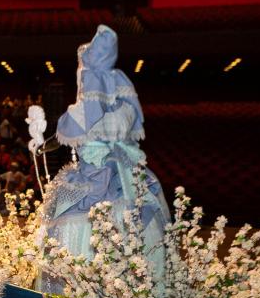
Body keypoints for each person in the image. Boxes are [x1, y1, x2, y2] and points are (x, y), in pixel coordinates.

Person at [45, 25, 169, 280]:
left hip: (92, 186)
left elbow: (67, 136)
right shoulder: (125, 109)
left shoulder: (78, 115)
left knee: (78, 236)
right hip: (127, 183)